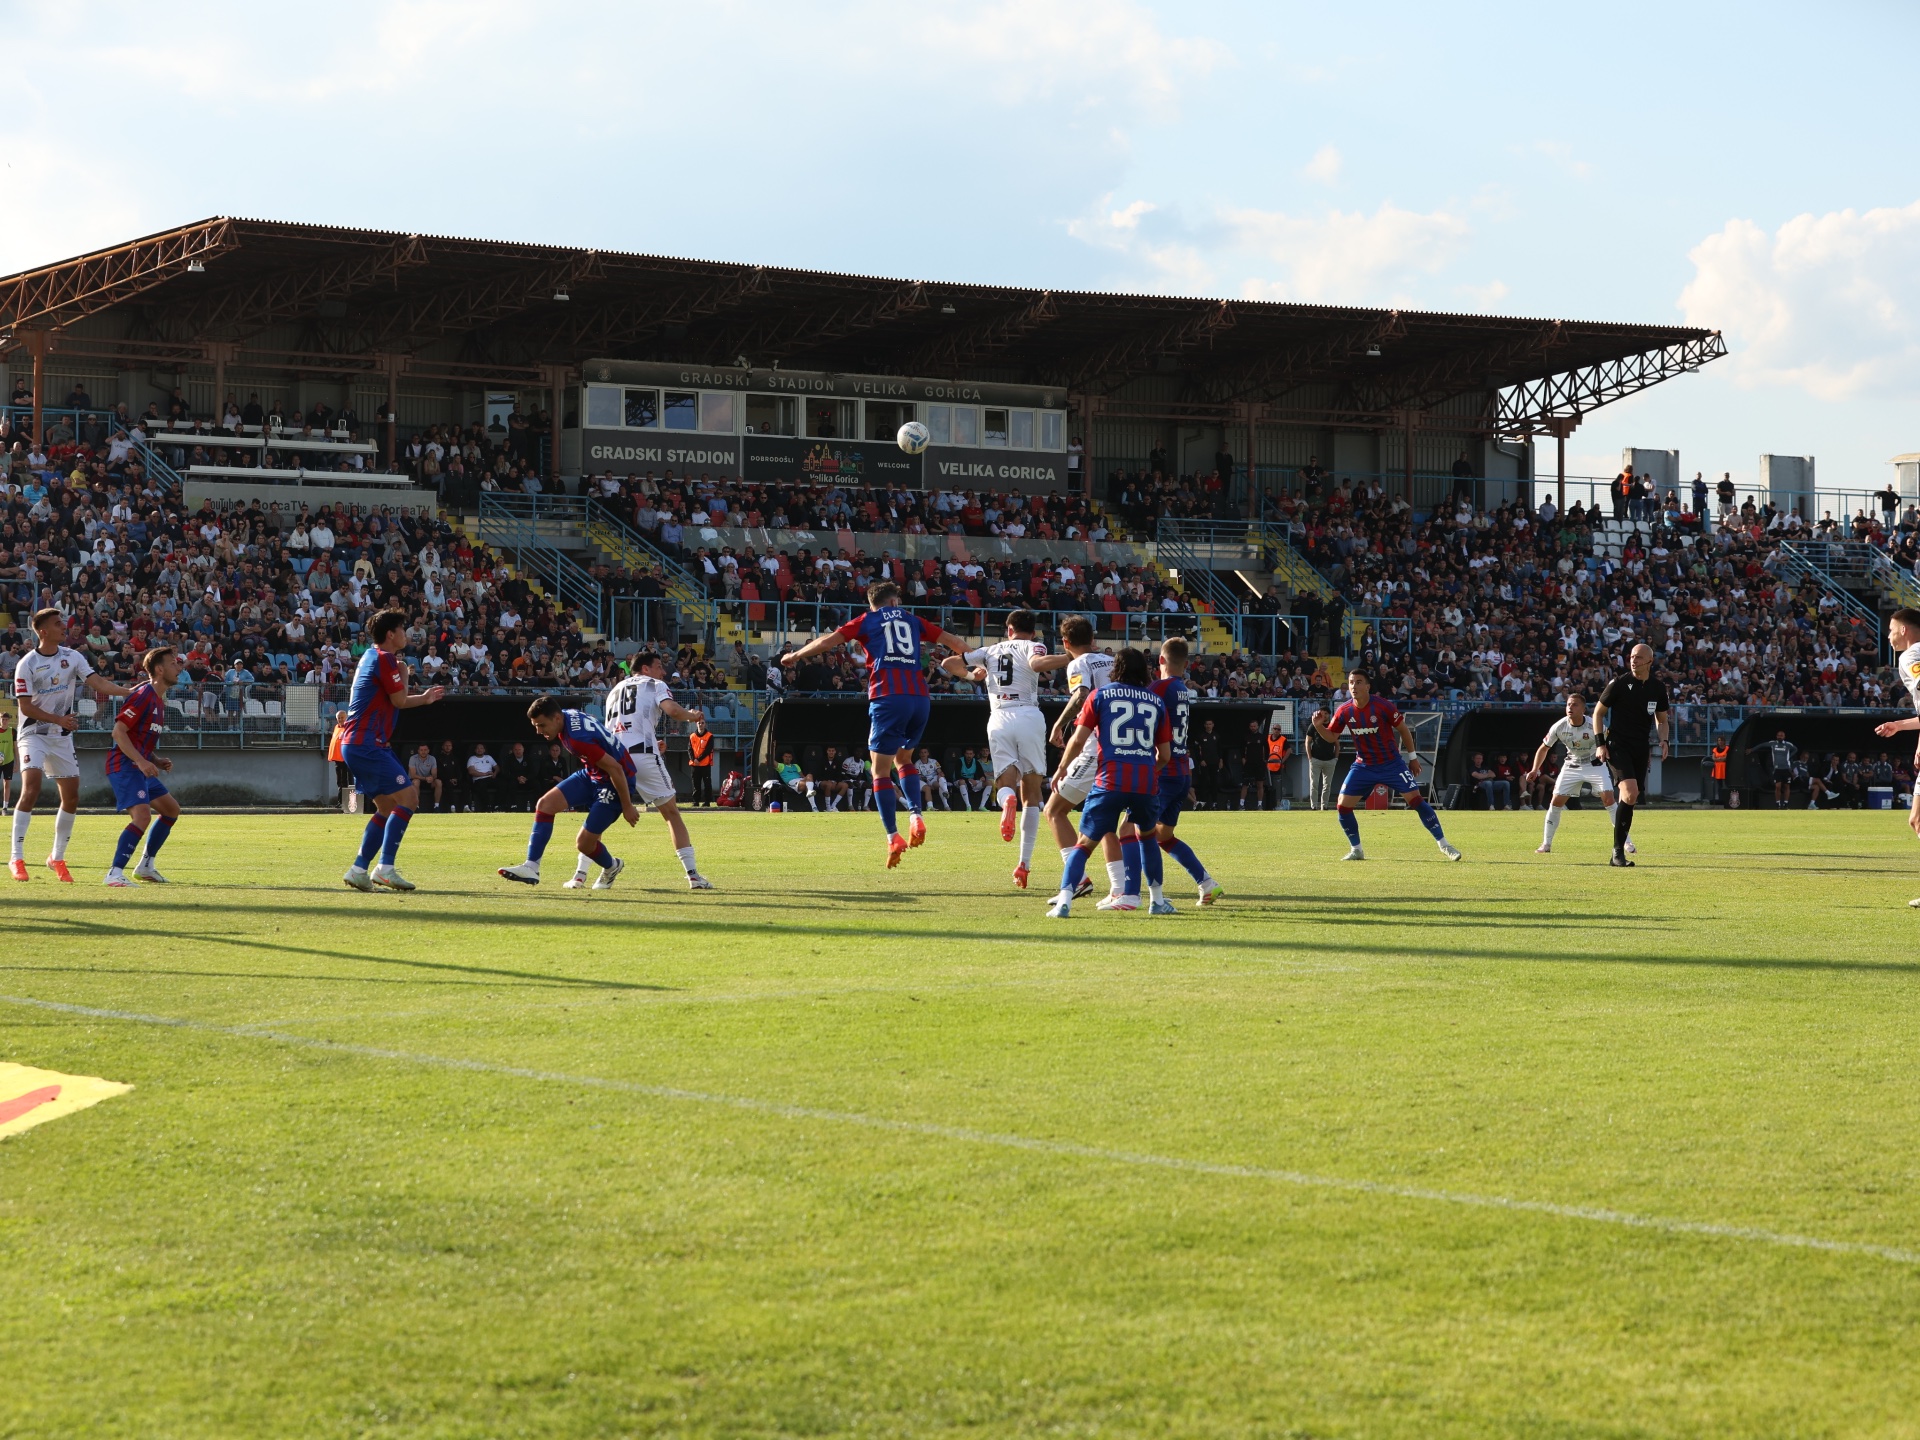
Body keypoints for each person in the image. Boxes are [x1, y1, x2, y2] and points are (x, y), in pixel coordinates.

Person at [779, 581, 971, 867]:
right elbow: (954, 642)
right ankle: (916, 815)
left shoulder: (867, 620)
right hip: (920, 698)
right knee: (904, 759)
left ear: (874, 604)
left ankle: (893, 836)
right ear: (895, 602)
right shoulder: (914, 620)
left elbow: (830, 640)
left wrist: (795, 655)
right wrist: (977, 664)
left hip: (888, 696)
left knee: (880, 769)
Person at [1045, 647, 1173, 919]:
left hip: (1110, 779)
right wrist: (1149, 769)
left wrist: (1061, 768)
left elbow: (1078, 741)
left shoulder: (1099, 694)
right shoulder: (1156, 701)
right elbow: (1165, 755)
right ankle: (1157, 900)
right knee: (1147, 839)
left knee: (1084, 844)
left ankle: (1065, 900)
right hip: (1144, 782)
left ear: (1116, 668)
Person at [568, 651, 712, 890]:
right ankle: (694, 876)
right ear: (645, 669)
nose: (663, 672)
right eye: (658, 666)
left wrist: (653, 743)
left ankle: (580, 876)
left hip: (612, 756)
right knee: (671, 813)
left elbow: (620, 728)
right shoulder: (655, 684)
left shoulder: (614, 690)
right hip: (642, 755)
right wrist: (692, 716)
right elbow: (673, 711)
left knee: (599, 813)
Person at [947, 610, 1070, 889]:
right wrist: (1068, 657)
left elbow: (948, 661)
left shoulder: (989, 650)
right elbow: (1038, 664)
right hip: (1028, 713)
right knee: (1032, 793)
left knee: (1004, 781)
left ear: (1008, 628)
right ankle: (1023, 864)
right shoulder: (1033, 646)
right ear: (1033, 632)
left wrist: (973, 675)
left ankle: (1005, 801)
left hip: (999, 717)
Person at [12, 608, 135, 882]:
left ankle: (56, 858)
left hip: (61, 736)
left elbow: (98, 683)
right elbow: (26, 707)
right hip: (33, 733)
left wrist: (130, 691)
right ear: (43, 631)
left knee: (71, 796)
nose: (63, 627)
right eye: (57, 624)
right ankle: (17, 858)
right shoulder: (27, 664)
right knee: (31, 787)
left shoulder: (73, 656)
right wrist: (59, 719)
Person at [335, 608, 446, 892]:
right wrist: (412, 686)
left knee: (387, 806)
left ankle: (359, 869)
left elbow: (394, 698)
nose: (406, 634)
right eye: (402, 629)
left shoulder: (371, 657)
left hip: (358, 743)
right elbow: (398, 700)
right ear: (390, 634)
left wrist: (414, 688)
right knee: (409, 798)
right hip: (367, 743)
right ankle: (385, 869)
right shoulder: (385, 659)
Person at [1311, 668, 1462, 862]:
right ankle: (1356, 849)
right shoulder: (1344, 710)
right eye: (1351, 682)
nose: (1353, 686)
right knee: (1342, 806)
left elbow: (1404, 730)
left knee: (1416, 801)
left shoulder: (1383, 706)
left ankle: (1445, 845)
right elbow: (1332, 737)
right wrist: (1318, 727)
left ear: (1367, 686)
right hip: (1363, 765)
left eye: (1358, 682)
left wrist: (1413, 758)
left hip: (1391, 764)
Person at [498, 696, 639, 889]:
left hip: (614, 782)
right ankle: (532, 866)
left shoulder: (576, 738)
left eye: (541, 725)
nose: (539, 731)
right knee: (545, 805)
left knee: (584, 844)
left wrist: (627, 805)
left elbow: (615, 768)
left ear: (556, 718)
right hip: (593, 774)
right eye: (535, 726)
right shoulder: (568, 715)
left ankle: (612, 866)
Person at [1044, 616, 1126, 902]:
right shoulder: (1111, 660)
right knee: (1104, 823)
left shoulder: (1078, 664)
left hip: (1095, 749)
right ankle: (1119, 888)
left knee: (1054, 810)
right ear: (1093, 638)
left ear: (1065, 643)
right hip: (1121, 748)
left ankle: (1076, 879)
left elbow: (1081, 694)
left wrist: (1059, 723)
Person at [103, 646, 186, 887]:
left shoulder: (158, 700)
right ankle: (114, 873)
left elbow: (138, 739)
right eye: (173, 663)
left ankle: (146, 866)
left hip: (139, 765)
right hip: (124, 765)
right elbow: (118, 732)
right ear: (159, 669)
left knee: (171, 810)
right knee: (141, 816)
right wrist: (141, 761)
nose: (178, 667)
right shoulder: (143, 695)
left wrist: (155, 759)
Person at [1150, 638, 1223, 906]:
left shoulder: (1159, 687)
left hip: (1164, 770)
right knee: (1163, 836)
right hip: (1181, 771)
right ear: (1188, 663)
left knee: (1133, 833)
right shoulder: (1183, 688)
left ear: (1160, 660)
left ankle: (1135, 892)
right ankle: (1206, 883)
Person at [1592, 643, 1671, 868]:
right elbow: (1598, 713)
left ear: (1649, 661)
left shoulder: (1657, 688)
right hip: (1617, 744)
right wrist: (1600, 744)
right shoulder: (1619, 683)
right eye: (1632, 657)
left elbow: (1662, 719)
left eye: (1639, 657)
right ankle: (1618, 852)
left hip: (1640, 747)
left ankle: (1617, 852)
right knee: (1630, 792)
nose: (1634, 660)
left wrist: (1664, 740)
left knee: (1631, 798)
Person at [1524, 694, 1619, 854]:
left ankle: (1625, 841)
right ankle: (1546, 844)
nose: (1570, 708)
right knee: (1555, 803)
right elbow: (1544, 747)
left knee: (1609, 800)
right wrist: (1535, 769)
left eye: (1575, 705)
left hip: (1595, 765)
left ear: (1583, 709)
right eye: (1568, 704)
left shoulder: (1593, 725)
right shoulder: (1559, 726)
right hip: (1571, 766)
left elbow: (1611, 743)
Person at [1872, 608, 1920, 904]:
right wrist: (1900, 726)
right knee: (1916, 819)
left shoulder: (1911, 657)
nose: (1888, 636)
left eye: (1891, 630)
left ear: (1903, 630)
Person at [1747, 730, 1798, 809]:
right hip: (1777, 769)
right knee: (1778, 787)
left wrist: (1789, 757)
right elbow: (1762, 745)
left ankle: (1785, 804)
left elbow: (1795, 749)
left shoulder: (1788, 744)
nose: (1780, 737)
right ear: (1776, 736)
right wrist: (1752, 749)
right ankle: (1778, 804)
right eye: (1778, 735)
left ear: (1784, 737)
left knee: (1787, 786)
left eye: (1782, 735)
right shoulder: (1773, 743)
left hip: (1786, 769)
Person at [1305, 710, 1339, 810]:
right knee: (1314, 783)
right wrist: (1310, 757)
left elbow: (1337, 744)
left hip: (1330, 760)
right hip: (1315, 759)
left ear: (1329, 715)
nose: (1324, 715)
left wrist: (1336, 758)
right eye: (1322, 713)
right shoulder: (1313, 725)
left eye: (1326, 713)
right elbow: (1307, 742)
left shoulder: (1333, 726)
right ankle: (1314, 805)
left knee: (1327, 784)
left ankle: (1324, 806)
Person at [1238, 720, 1268, 811]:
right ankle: (1241, 804)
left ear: (1257, 726)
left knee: (1260, 784)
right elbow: (1242, 750)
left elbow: (1267, 749)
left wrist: (1265, 760)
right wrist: (1243, 759)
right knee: (1245, 784)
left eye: (1254, 726)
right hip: (1248, 764)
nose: (1253, 728)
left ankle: (1259, 805)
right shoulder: (1246, 737)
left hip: (1259, 764)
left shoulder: (1262, 737)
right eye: (1251, 726)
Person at [686, 717, 716, 806]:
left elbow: (708, 750)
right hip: (695, 765)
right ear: (696, 724)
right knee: (696, 783)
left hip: (705, 764)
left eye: (702, 723)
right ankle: (696, 801)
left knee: (707, 784)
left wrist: (698, 759)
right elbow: (689, 749)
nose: (701, 724)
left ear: (705, 724)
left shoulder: (709, 736)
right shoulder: (692, 736)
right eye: (699, 723)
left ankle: (707, 802)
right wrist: (693, 759)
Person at [466, 742, 500, 812]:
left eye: (481, 748)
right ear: (475, 750)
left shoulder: (489, 757)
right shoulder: (472, 759)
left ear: (484, 750)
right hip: (479, 779)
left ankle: (497, 805)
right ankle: (487, 806)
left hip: (490, 778)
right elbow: (471, 771)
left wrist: (495, 773)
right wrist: (485, 774)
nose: (479, 750)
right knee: (482, 786)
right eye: (478, 748)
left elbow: (497, 768)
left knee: (502, 784)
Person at [408, 743, 441, 811]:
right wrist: (425, 778)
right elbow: (412, 775)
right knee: (416, 782)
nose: (423, 752)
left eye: (425, 750)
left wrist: (432, 777)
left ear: (428, 750)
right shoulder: (413, 758)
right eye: (421, 750)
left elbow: (435, 774)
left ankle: (437, 806)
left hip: (428, 781)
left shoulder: (432, 758)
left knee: (438, 782)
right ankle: (416, 806)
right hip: (416, 781)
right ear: (418, 751)